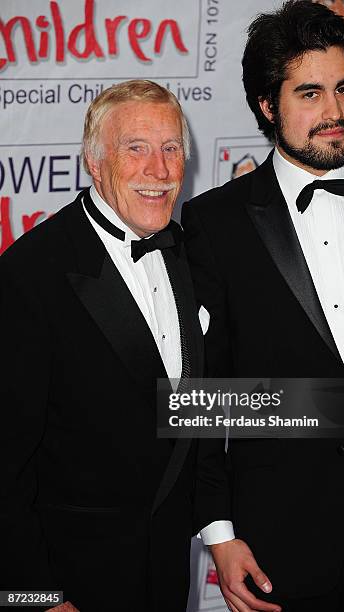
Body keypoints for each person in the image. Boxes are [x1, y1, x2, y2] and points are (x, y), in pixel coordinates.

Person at [182, 1, 344, 611]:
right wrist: (219, 534)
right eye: (309, 93)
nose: (334, 113)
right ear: (266, 106)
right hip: (279, 548)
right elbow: (205, 392)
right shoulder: (214, 224)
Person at [0, 80, 203, 611]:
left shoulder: (186, 252)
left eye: (170, 149)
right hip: (71, 584)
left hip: (166, 575)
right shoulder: (29, 276)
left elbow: (188, 413)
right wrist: (33, 597)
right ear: (94, 162)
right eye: (135, 148)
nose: (159, 172)